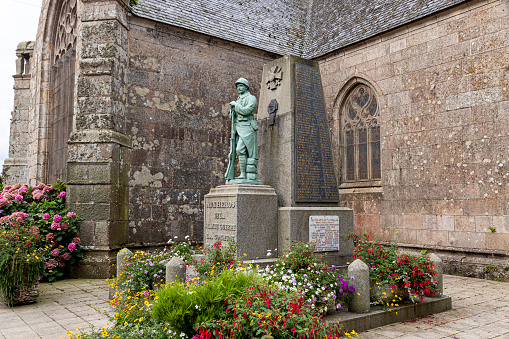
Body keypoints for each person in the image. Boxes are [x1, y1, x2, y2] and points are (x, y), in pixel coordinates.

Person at [225, 78, 258, 180]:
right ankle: (243, 174)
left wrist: (236, 105)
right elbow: (234, 116)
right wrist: (232, 111)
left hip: (248, 127)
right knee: (239, 150)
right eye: (238, 86)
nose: (239, 88)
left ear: (246, 87)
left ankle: (249, 176)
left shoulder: (251, 98)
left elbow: (247, 110)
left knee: (248, 152)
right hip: (239, 127)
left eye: (241, 86)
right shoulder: (238, 99)